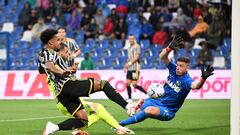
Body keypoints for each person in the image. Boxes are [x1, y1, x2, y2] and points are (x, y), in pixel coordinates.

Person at [38, 29, 135, 135]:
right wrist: (61, 72)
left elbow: (43, 68)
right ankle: (128, 106)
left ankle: (53, 127)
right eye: (57, 40)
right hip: (66, 86)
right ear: (50, 43)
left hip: (62, 94)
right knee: (103, 84)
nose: (59, 42)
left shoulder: (45, 55)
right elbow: (49, 66)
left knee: (83, 120)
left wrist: (69, 70)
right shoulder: (47, 53)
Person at [119, 36, 214, 126]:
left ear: (187, 68)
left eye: (181, 66)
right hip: (155, 101)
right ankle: (129, 118)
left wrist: (203, 78)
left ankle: (121, 124)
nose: (178, 67)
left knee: (148, 110)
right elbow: (162, 57)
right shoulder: (173, 69)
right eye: (178, 65)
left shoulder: (186, 80)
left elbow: (195, 86)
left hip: (168, 109)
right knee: (138, 111)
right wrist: (169, 48)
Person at [124, 34, 147, 102]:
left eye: (132, 39)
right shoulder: (128, 48)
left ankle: (146, 94)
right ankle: (130, 98)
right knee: (127, 83)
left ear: (134, 39)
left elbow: (137, 57)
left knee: (134, 84)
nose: (131, 40)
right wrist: (126, 65)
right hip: (130, 68)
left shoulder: (137, 46)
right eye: (130, 39)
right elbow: (129, 58)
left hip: (136, 68)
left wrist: (129, 63)